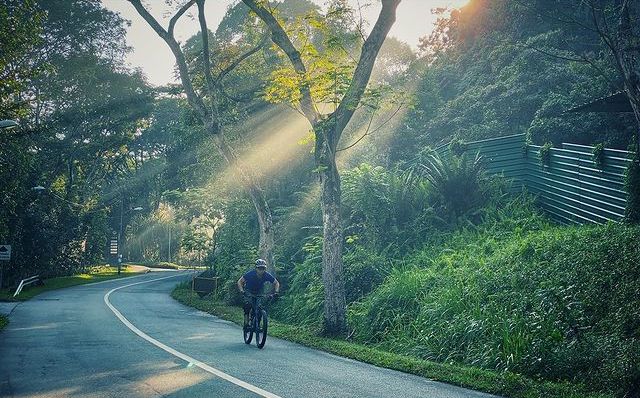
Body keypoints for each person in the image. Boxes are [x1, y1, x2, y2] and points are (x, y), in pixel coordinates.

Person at [237, 259, 280, 324]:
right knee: (247, 305)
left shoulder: (266, 275)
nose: (261, 270)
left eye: (263, 268)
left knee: (260, 308)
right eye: (259, 268)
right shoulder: (250, 274)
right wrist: (242, 291)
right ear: (256, 268)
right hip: (249, 290)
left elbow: (276, 283)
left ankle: (257, 324)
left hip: (260, 292)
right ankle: (246, 323)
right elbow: (240, 281)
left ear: (265, 269)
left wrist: (276, 292)